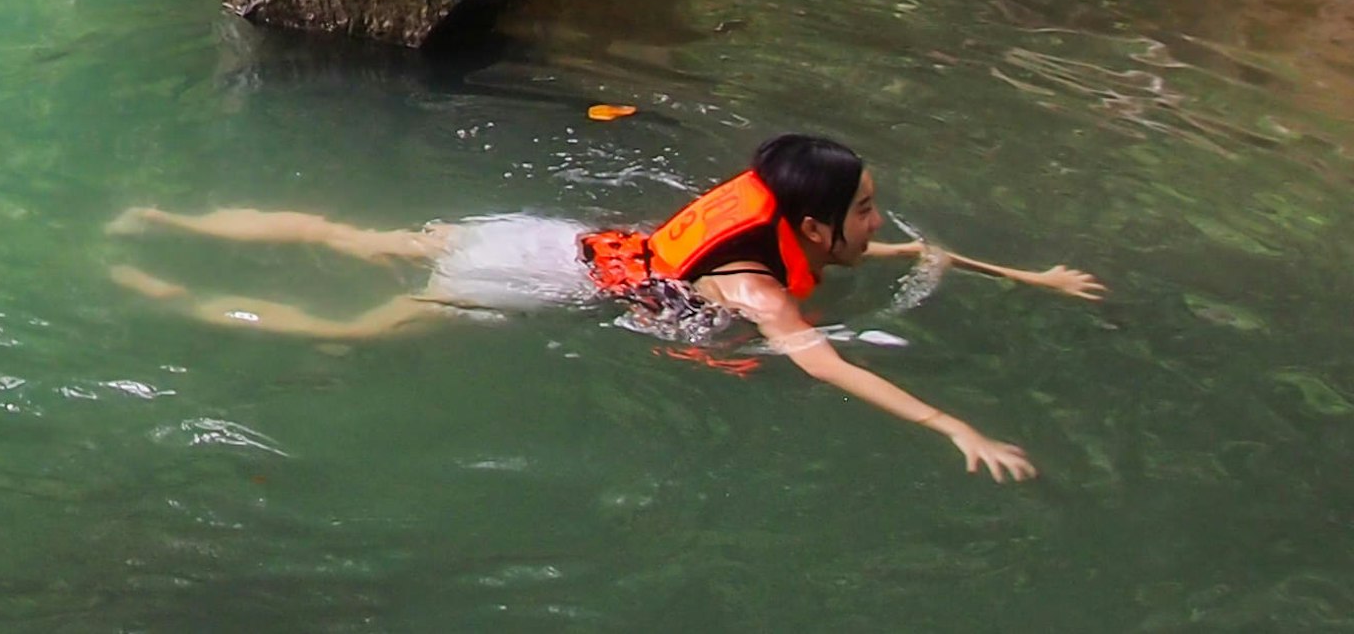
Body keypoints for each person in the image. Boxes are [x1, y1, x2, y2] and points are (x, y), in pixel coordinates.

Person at [107, 134, 1097, 481]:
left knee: (352, 235)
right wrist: (952, 422)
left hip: (555, 236)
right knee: (360, 327)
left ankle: (164, 217)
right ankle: (166, 290)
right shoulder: (755, 281)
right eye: (865, 205)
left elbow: (919, 246)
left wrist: (1034, 276)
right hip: (546, 282)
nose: (879, 219)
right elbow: (826, 360)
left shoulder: (780, 218)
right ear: (811, 218)